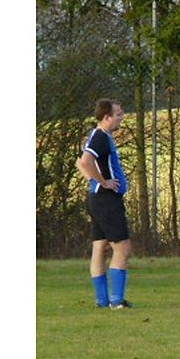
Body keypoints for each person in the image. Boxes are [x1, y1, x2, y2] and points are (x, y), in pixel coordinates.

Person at [76, 99, 133, 309]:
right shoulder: (100, 137)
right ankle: (116, 302)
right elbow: (84, 162)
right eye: (118, 114)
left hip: (97, 199)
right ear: (107, 117)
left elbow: (80, 163)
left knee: (100, 247)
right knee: (123, 248)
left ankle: (102, 301)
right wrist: (103, 182)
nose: (122, 117)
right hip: (106, 201)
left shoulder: (98, 135)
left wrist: (94, 181)